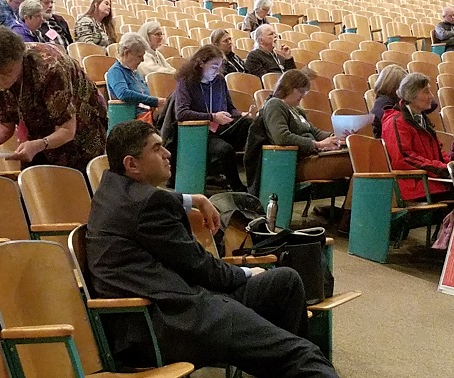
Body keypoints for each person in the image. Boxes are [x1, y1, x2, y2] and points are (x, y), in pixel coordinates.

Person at [86, 119, 339, 377]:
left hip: (168, 308)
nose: (168, 153)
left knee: (284, 283)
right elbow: (199, 266)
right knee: (301, 354)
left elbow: (154, 204)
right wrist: (249, 272)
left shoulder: (111, 190)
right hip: (167, 322)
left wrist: (194, 199)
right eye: (157, 148)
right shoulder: (148, 204)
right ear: (132, 164)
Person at [0, 26, 107, 172]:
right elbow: (5, 124)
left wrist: (39, 144)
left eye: (6, 73)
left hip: (81, 127)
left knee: (75, 180)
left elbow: (67, 130)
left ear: (20, 59)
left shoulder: (51, 68)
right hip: (38, 131)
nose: (0, 82)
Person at [245, 69, 352, 194]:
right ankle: (348, 211)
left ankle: (346, 210)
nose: (303, 96)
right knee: (355, 162)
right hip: (296, 162)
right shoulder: (275, 105)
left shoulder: (296, 110)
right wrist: (317, 144)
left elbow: (315, 132)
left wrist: (336, 137)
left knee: (359, 160)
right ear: (289, 87)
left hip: (311, 157)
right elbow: (281, 137)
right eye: (301, 91)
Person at [174, 44, 251, 192]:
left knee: (250, 125)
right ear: (201, 63)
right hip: (199, 132)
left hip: (220, 128)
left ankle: (254, 181)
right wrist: (213, 116)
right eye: (214, 66)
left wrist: (240, 114)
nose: (217, 71)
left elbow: (230, 107)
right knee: (225, 150)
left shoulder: (220, 80)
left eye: (219, 66)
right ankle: (237, 187)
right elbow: (181, 113)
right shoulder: (186, 81)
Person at [382, 72, 451, 201]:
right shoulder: (396, 122)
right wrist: (442, 169)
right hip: (415, 186)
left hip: (431, 181)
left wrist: (450, 166)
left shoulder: (420, 119)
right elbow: (403, 158)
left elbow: (439, 153)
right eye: (426, 92)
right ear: (411, 95)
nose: (431, 96)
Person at [107, 32, 166, 123]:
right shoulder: (116, 71)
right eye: (139, 56)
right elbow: (123, 94)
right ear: (127, 53)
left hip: (146, 115)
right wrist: (154, 101)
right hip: (133, 119)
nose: (142, 60)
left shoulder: (136, 71)